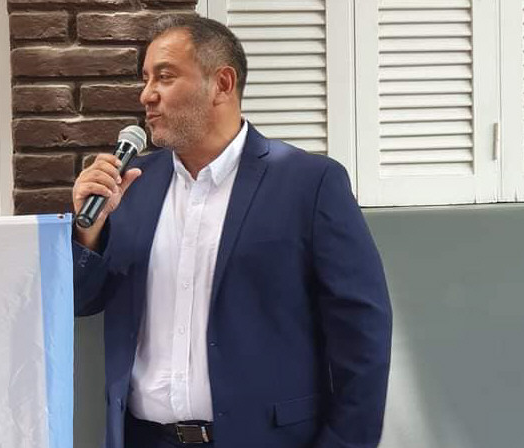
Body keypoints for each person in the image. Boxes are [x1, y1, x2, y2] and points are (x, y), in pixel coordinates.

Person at [72, 15, 392, 448]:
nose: (147, 94)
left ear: (222, 84)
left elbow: (363, 332)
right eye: (145, 79)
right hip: (144, 438)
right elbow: (83, 301)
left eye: (165, 76)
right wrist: (88, 232)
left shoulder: (309, 183)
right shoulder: (133, 185)